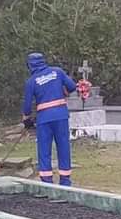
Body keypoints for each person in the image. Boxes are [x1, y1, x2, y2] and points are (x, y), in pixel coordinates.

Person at [21, 52, 78, 186]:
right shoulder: (57, 72)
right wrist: (63, 92)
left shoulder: (31, 82)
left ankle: (47, 181)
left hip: (44, 119)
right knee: (63, 146)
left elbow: (27, 106)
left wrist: (27, 120)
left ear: (30, 66)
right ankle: (65, 180)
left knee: (44, 150)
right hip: (61, 115)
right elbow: (72, 87)